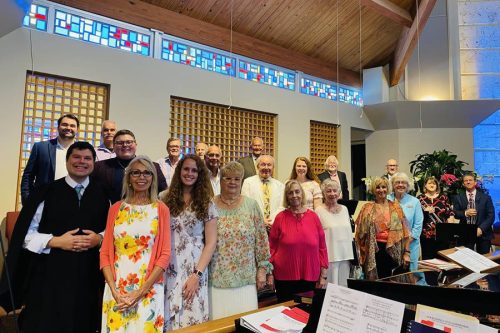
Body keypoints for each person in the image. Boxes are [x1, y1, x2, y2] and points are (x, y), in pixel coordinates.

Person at [0, 142, 109, 332]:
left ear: (94, 163)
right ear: (67, 161)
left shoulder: (104, 194)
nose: (81, 162)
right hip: (50, 273)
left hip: (88, 275)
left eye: (87, 158)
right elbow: (25, 235)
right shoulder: (46, 191)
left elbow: (115, 231)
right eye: (76, 157)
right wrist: (55, 241)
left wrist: (99, 238)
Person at [100, 155, 171, 332]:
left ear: (153, 178)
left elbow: (164, 255)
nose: (142, 177)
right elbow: (105, 253)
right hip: (117, 288)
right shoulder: (116, 208)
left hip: (149, 288)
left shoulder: (160, 209)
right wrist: (114, 290)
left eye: (147, 173)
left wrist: (140, 292)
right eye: (136, 173)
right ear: (128, 178)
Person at [209, 162, 273, 319]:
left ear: (242, 181)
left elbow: (261, 239)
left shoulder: (251, 205)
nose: (232, 182)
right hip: (217, 279)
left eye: (237, 179)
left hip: (246, 279)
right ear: (221, 180)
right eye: (228, 178)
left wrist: (263, 270)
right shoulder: (209, 204)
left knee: (245, 323)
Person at [162, 155, 217, 330]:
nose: (190, 173)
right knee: (167, 315)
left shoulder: (207, 203)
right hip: (168, 267)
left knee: (192, 316)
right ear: (179, 171)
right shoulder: (163, 198)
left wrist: (196, 275)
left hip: (195, 267)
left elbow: (211, 242)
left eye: (194, 170)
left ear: (200, 174)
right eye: (186, 169)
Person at [269, 180, 328, 302]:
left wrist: (323, 274)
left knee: (306, 313)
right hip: (284, 276)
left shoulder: (313, 217)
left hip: (310, 274)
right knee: (284, 312)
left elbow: (322, 247)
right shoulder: (280, 217)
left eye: (297, 192)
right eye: (290, 193)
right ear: (286, 197)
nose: (294, 195)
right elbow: (271, 247)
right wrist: (269, 273)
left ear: (302, 194)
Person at [355, 177, 411, 280]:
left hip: (394, 250)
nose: (381, 190)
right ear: (373, 190)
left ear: (388, 188)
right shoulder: (366, 208)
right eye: (378, 187)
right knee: (375, 285)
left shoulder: (396, 207)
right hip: (373, 251)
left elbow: (406, 232)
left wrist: (407, 253)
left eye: (384, 187)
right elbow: (359, 233)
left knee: (391, 284)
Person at [93, 129, 167, 203]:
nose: (125, 145)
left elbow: (163, 193)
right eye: (119, 143)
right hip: (110, 212)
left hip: (145, 212)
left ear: (136, 144)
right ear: (114, 146)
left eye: (129, 142)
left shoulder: (153, 167)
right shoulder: (99, 167)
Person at [20, 113, 79, 205]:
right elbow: (28, 176)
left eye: (72, 126)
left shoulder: (82, 151)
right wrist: (28, 201)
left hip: (73, 203)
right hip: (44, 203)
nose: (68, 128)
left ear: (77, 129)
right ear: (58, 127)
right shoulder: (40, 147)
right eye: (64, 124)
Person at [315, 179, 353, 287]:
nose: (332, 194)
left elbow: (349, 234)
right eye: (329, 191)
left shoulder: (345, 209)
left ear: (339, 192)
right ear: (323, 193)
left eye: (335, 191)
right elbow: (316, 237)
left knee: (343, 289)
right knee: (329, 290)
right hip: (329, 258)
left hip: (345, 257)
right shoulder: (318, 211)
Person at [388, 172, 423, 271]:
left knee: (410, 275)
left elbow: (418, 225)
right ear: (392, 185)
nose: (400, 185)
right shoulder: (387, 199)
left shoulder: (415, 201)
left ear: (407, 185)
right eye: (397, 182)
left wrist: (407, 243)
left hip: (411, 245)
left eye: (403, 183)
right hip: (391, 245)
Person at [452, 173, 495, 254]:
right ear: (463, 184)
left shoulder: (486, 197)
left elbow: (491, 216)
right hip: (465, 233)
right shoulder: (458, 197)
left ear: (475, 182)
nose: (468, 182)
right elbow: (455, 213)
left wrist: (481, 229)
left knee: (484, 260)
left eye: (470, 180)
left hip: (483, 233)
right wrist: (465, 213)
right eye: (466, 180)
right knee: (466, 259)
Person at [241, 155, 284, 230]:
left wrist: (272, 221)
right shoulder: (248, 182)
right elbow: (246, 205)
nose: (266, 167)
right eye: (263, 164)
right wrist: (260, 220)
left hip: (274, 227)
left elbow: (282, 207)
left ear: (273, 168)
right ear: (257, 166)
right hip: (254, 226)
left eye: (269, 165)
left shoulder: (280, 185)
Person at [417, 176, 455, 259]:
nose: (432, 185)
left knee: (443, 259)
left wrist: (449, 229)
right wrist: (425, 212)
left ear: (437, 186)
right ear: (425, 186)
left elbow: (450, 213)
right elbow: (416, 216)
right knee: (428, 259)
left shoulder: (444, 198)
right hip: (426, 234)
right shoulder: (420, 198)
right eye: (429, 183)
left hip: (442, 234)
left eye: (434, 183)